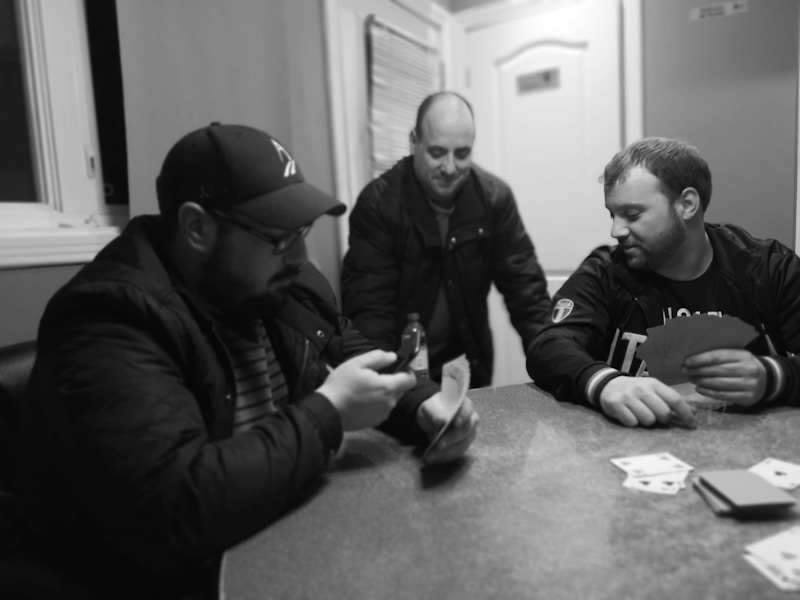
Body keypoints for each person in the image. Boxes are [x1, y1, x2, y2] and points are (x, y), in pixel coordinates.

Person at [13, 123, 478, 599]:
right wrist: (329, 412)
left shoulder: (277, 281)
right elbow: (176, 511)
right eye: (279, 239)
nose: (300, 257)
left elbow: (355, 352)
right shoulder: (110, 319)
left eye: (302, 232)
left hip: (274, 537)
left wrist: (424, 405)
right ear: (197, 228)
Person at [527, 136, 800, 428]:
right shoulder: (605, 271)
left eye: (632, 214)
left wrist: (774, 376)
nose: (615, 230)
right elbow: (548, 345)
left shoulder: (769, 268)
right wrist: (605, 383)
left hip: (750, 453)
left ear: (687, 204)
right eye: (612, 214)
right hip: (624, 451)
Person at [340, 91, 551, 387]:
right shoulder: (379, 204)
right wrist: (395, 391)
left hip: (466, 369)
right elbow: (369, 315)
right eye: (437, 153)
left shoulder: (494, 199)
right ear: (414, 142)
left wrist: (561, 365)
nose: (450, 168)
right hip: (398, 374)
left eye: (462, 154)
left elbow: (528, 294)